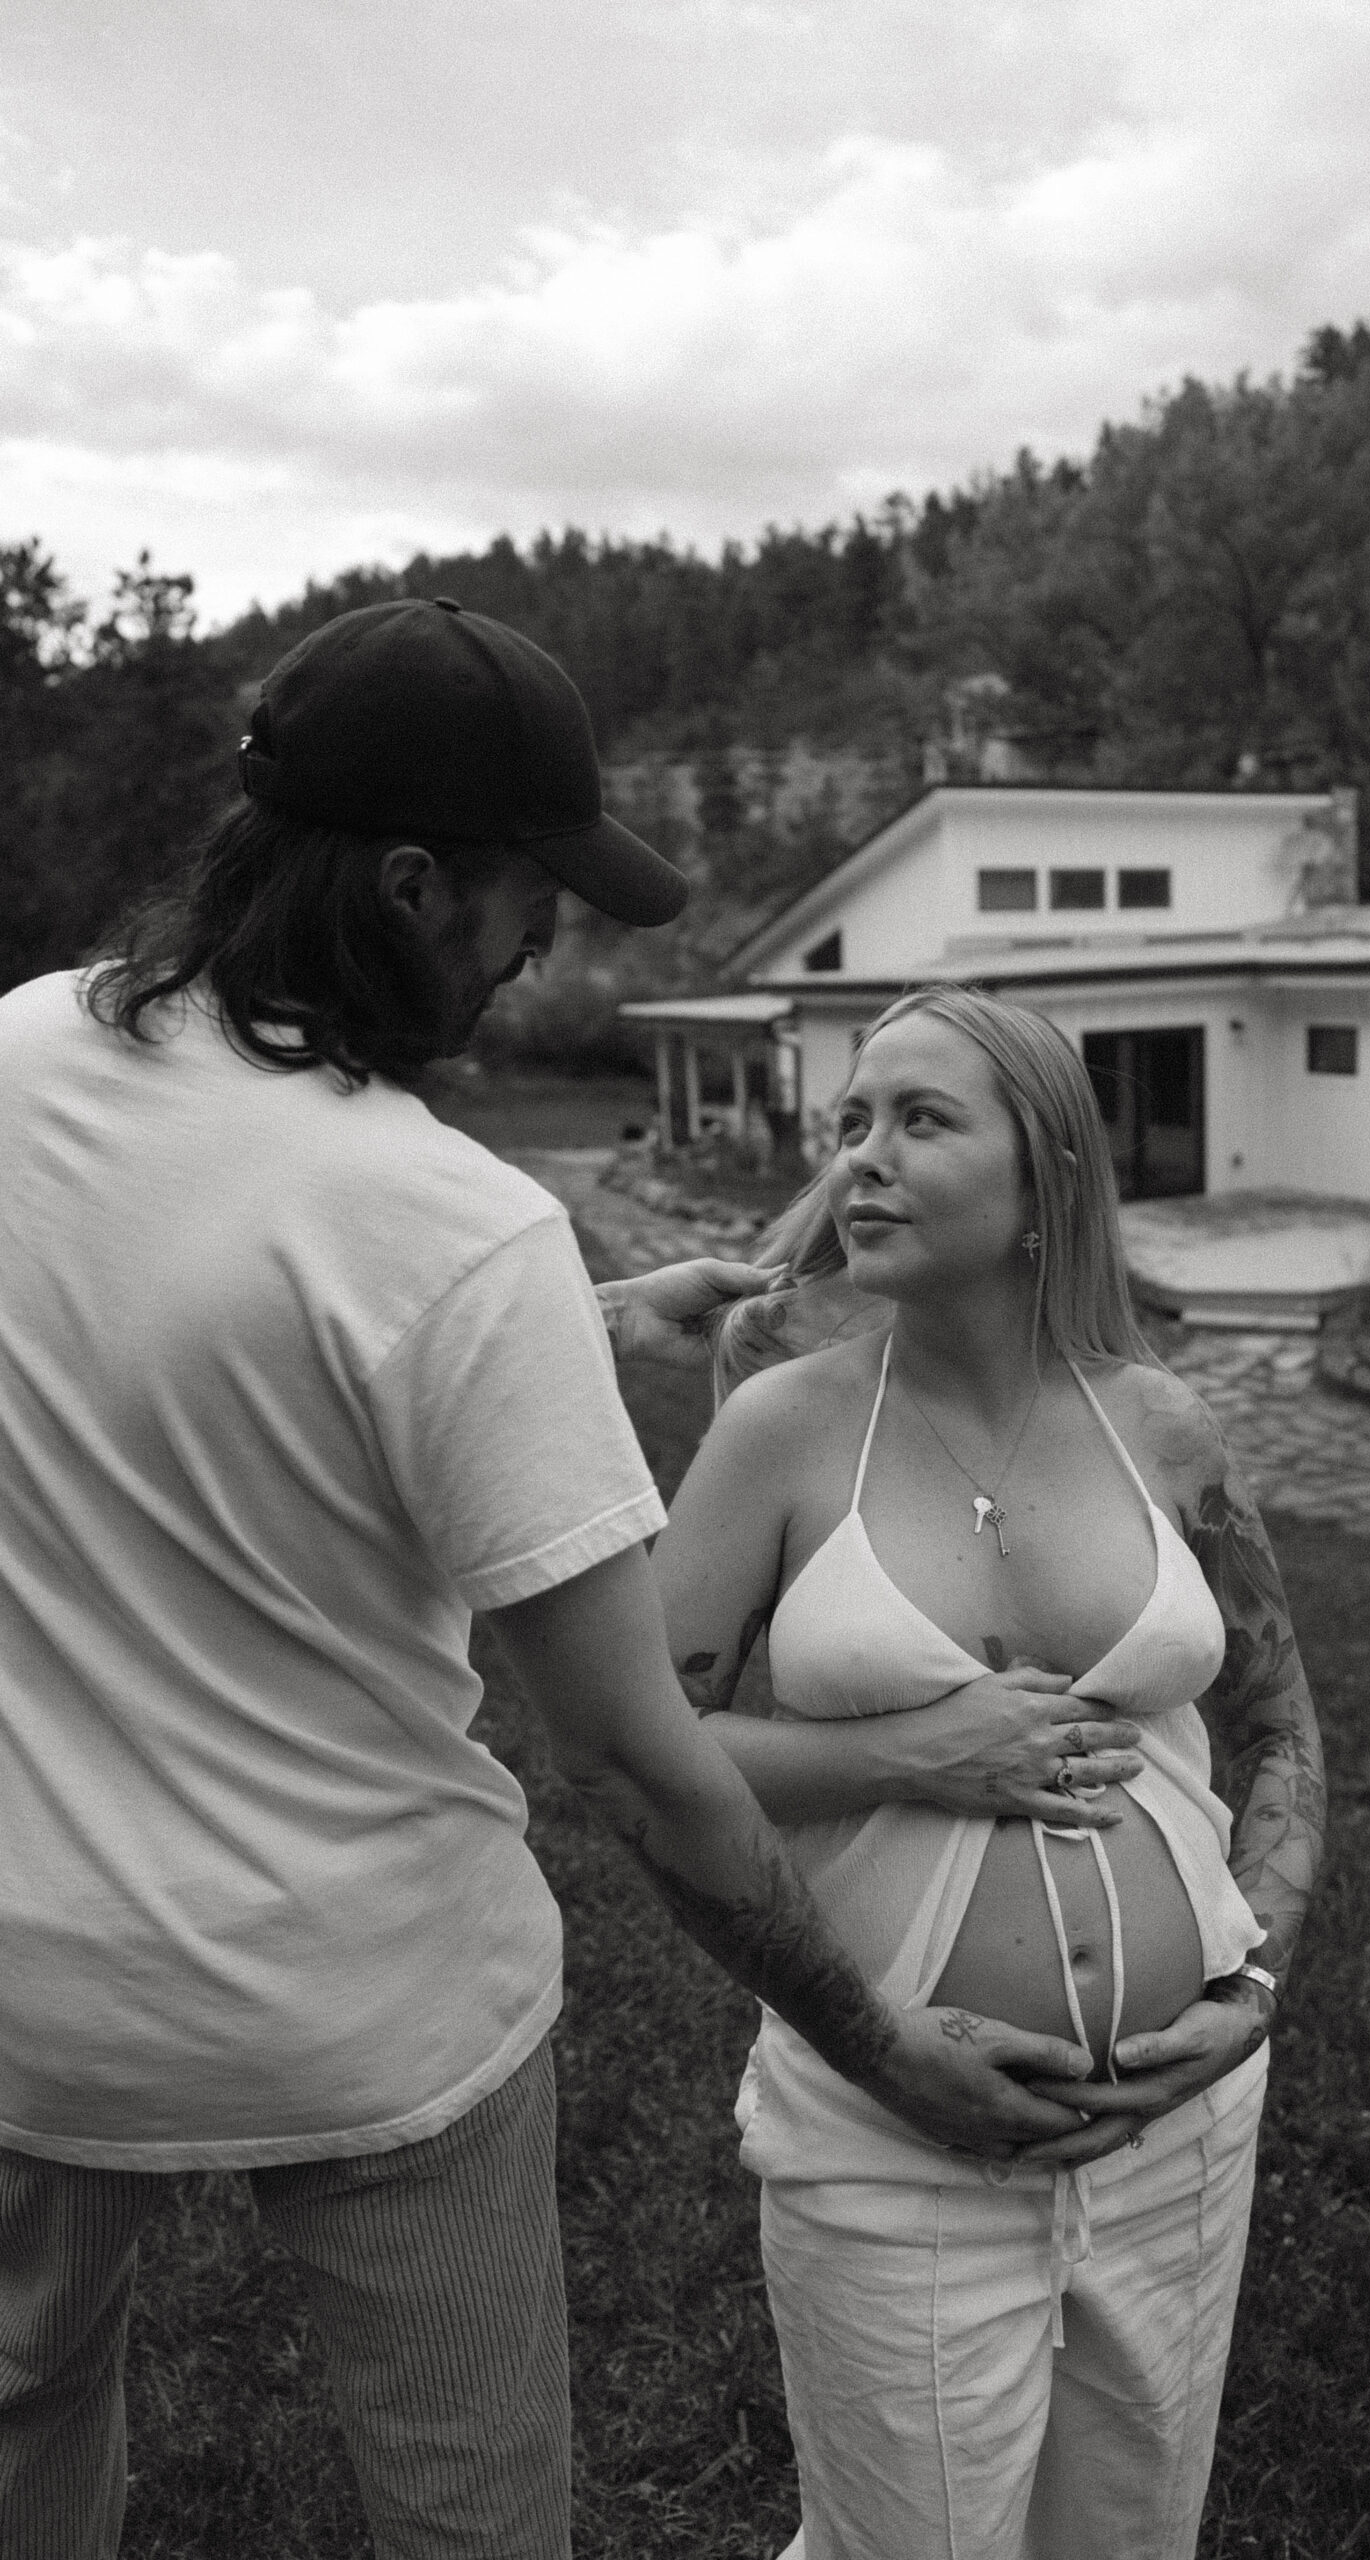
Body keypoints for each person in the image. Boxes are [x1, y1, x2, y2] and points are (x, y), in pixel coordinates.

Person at [0, 605, 1101, 2560]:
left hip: (30, 1998)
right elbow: (640, 1759)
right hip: (374, 2020)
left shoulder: (17, 1051)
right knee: (467, 2516)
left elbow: (193, 1333)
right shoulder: (447, 1219)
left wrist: (582, 1311)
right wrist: (881, 2038)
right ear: (413, 883)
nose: (547, 950)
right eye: (530, 899)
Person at [654, 984, 1327, 2560]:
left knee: (1132, 2537)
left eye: (920, 1119)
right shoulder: (782, 1431)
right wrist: (908, 1751)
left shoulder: (1165, 1430)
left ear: (1052, 1178)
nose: (861, 1160)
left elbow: (1281, 1726)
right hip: (894, 2131)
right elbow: (642, 1756)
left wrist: (1255, 1985)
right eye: (851, 1123)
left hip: (1182, 2129)